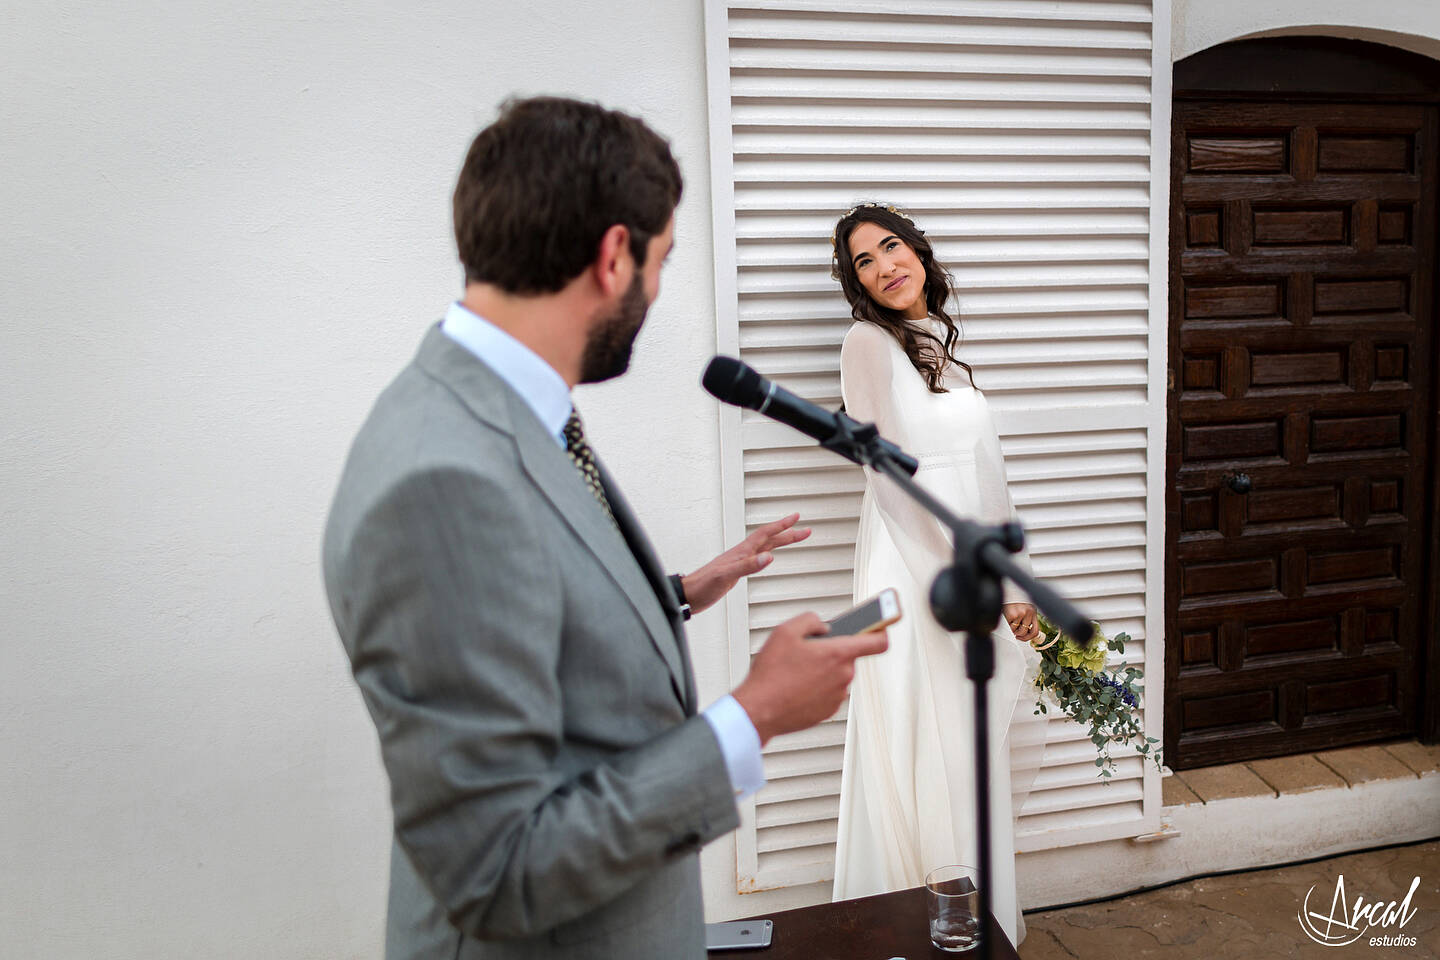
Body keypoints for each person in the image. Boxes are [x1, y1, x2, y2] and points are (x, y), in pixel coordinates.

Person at [321, 97, 888, 960]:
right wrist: (754, 715)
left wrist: (684, 590)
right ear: (614, 255)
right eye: (660, 262)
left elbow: (524, 612)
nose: (656, 293)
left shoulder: (503, 407)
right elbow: (498, 870)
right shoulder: (440, 478)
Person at [826, 203, 1048, 946]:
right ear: (856, 283)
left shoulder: (940, 344)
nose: (886, 265)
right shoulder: (866, 343)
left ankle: (972, 932)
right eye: (865, 260)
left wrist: (1010, 586)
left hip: (969, 572)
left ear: (919, 252)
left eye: (892, 247)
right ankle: (914, 934)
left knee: (967, 750)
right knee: (924, 744)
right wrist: (957, 587)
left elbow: (988, 478)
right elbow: (890, 483)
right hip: (912, 570)